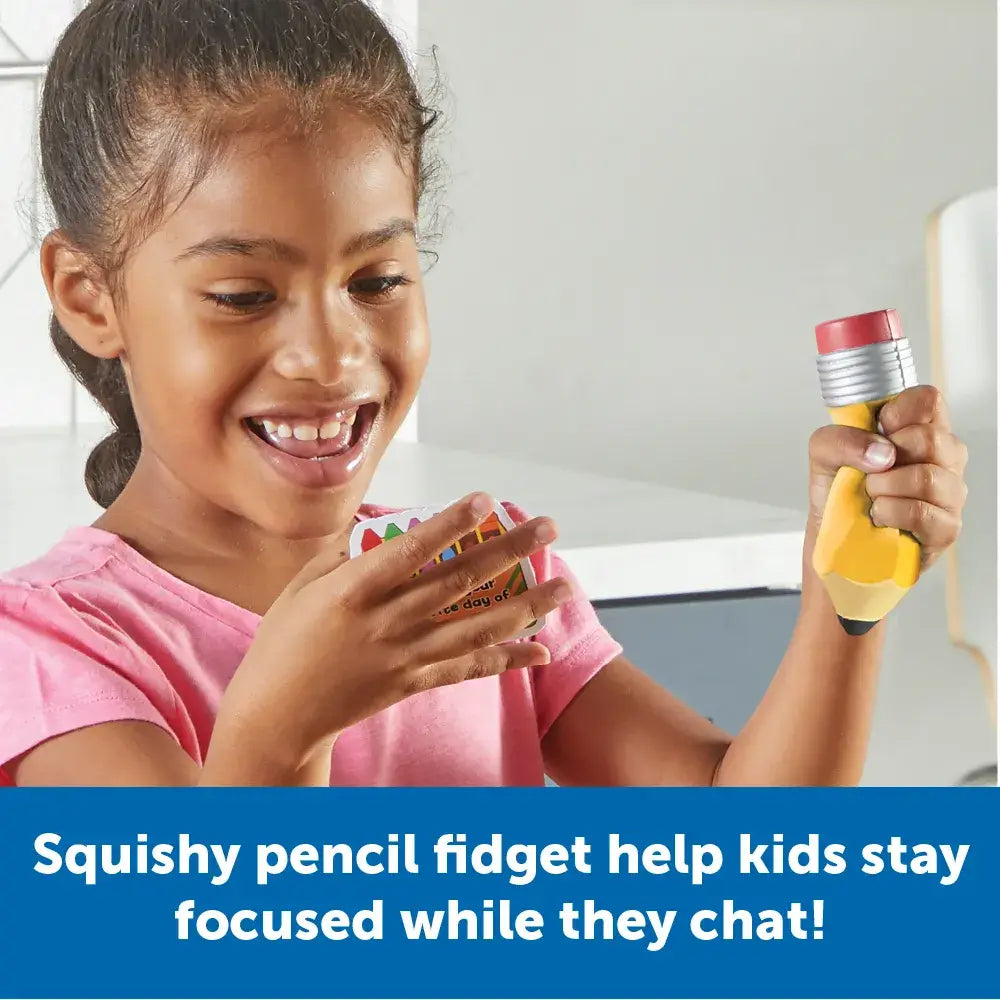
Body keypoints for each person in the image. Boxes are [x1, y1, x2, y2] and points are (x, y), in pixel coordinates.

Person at [0, 0, 968, 787]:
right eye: (244, 296)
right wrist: (276, 735)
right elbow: (187, 935)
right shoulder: (48, 650)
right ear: (89, 297)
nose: (332, 354)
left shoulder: (473, 575)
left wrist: (846, 599)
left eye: (377, 280)